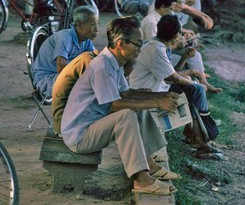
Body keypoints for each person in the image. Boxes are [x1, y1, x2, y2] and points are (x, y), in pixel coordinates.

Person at [61, 16, 180, 195]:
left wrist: (161, 95)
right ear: (120, 43)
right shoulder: (103, 66)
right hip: (80, 135)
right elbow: (115, 105)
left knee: (139, 103)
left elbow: (126, 94)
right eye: (137, 44)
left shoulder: (113, 61)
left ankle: (150, 163)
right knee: (126, 114)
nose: (140, 49)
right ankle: (141, 180)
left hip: (93, 125)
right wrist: (156, 102)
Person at [130, 14, 225, 160]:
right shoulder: (156, 49)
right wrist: (195, 83)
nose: (181, 36)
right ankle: (202, 139)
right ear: (175, 35)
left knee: (191, 89)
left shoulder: (158, 45)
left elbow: (171, 73)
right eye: (180, 32)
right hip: (147, 92)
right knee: (195, 89)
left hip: (158, 87)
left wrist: (184, 58)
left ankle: (198, 138)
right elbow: (173, 78)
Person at [141, 0, 221, 93]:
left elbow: (164, 40)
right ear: (162, 7)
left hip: (163, 52)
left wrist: (181, 39)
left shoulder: (160, 18)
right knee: (187, 62)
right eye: (171, 9)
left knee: (194, 54)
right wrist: (176, 45)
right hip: (153, 59)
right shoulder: (151, 22)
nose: (172, 12)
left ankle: (202, 80)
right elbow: (153, 49)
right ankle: (198, 80)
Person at [31, 5, 98, 96]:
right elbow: (61, 68)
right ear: (80, 25)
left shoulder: (86, 41)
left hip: (62, 78)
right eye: (93, 24)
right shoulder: (65, 38)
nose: (97, 29)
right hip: (46, 79)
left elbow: (96, 62)